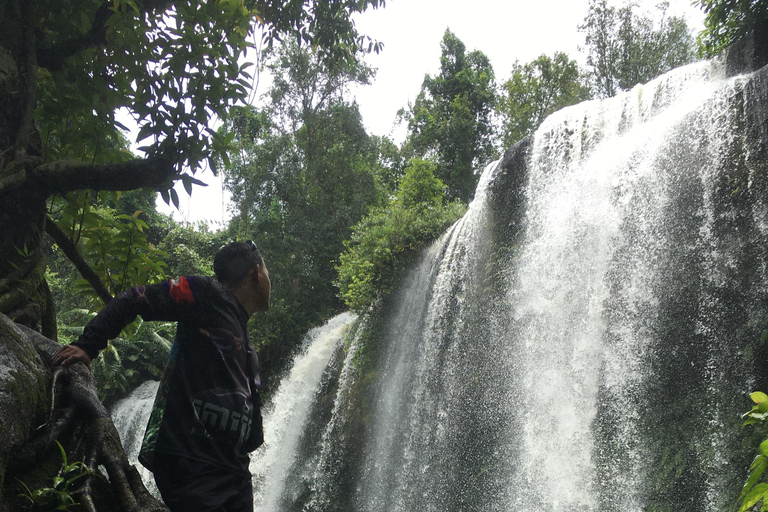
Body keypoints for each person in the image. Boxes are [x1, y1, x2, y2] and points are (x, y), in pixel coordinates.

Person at [52, 241, 271, 512]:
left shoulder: (248, 346)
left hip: (234, 472)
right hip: (192, 461)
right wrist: (88, 345)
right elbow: (137, 298)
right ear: (256, 273)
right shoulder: (206, 294)